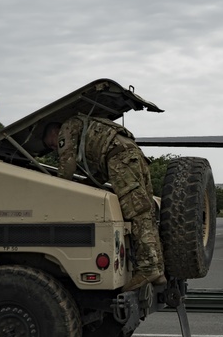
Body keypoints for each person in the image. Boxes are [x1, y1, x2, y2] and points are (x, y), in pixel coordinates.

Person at [44, 116, 165, 290]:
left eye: (51, 144)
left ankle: (148, 269)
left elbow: (67, 164)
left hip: (120, 159)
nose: (54, 148)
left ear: (55, 132)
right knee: (147, 213)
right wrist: (86, 184)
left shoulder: (66, 126)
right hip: (133, 155)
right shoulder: (89, 126)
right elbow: (100, 172)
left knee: (136, 212)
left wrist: (59, 191)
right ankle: (158, 269)